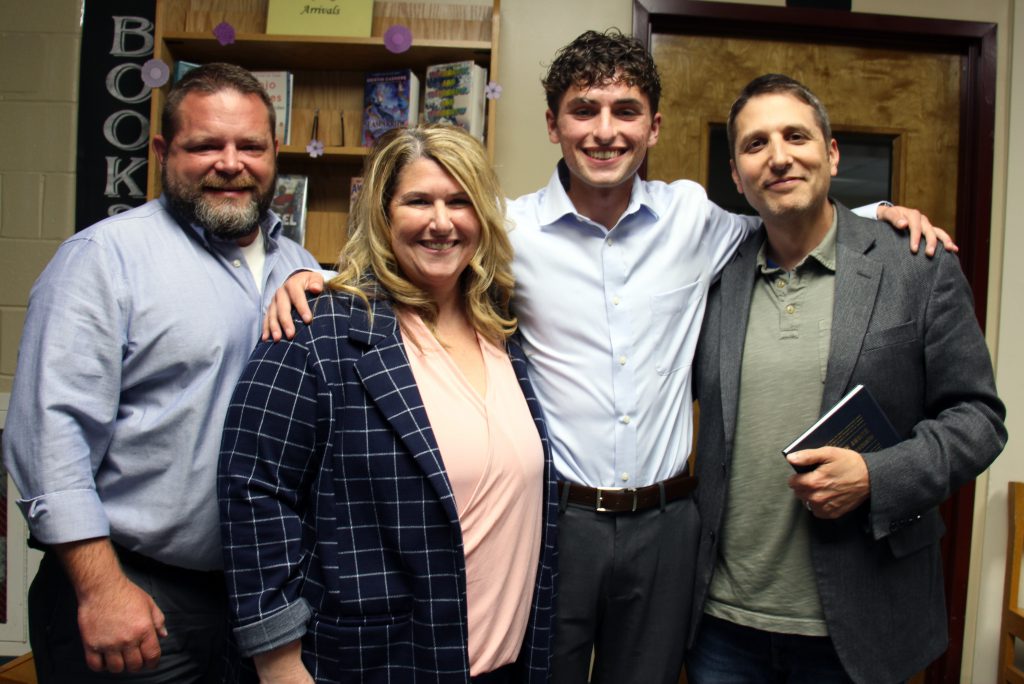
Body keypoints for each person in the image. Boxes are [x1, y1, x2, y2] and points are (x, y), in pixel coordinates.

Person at [264, 31, 952, 684]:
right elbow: (422, 259)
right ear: (552, 124)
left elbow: (791, 217)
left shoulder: (693, 218)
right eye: (583, 110)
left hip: (666, 523)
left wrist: (885, 213)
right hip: (555, 521)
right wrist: (318, 278)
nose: (604, 130)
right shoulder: (506, 229)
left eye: (626, 111)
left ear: (653, 127)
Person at [2, 62, 320, 682]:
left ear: (272, 151)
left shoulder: (298, 263)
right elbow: (48, 436)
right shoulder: (104, 260)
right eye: (205, 145)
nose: (231, 163)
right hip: (134, 591)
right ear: (161, 150)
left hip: (259, 599)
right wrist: (101, 590)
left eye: (250, 146)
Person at [686, 74, 1006, 683]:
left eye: (796, 136)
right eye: (756, 145)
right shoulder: (714, 277)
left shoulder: (915, 264)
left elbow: (979, 419)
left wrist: (876, 476)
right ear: (736, 174)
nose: (778, 157)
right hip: (723, 625)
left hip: (861, 622)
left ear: (831, 153)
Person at [217, 124, 557, 683]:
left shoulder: (502, 331)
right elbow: (253, 490)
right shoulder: (318, 332)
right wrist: (277, 662)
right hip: (382, 663)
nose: (442, 222)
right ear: (383, 213)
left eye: (460, 202)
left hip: (504, 665)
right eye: (418, 201)